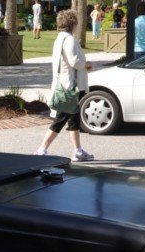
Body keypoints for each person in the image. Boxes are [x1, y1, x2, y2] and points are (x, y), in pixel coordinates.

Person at [34, 9, 94, 162]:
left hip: (65, 84)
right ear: (72, 23)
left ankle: (78, 151)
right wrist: (85, 65)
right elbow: (74, 61)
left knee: (73, 119)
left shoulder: (60, 38)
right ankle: (42, 149)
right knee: (61, 120)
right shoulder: (69, 40)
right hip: (70, 87)